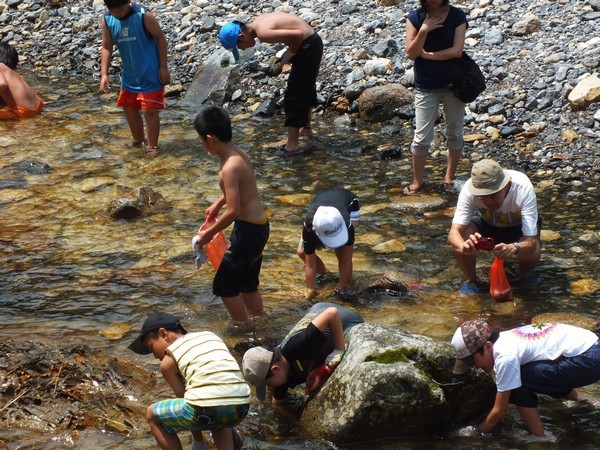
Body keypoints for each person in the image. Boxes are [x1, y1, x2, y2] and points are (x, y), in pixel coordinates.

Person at [451, 319, 600, 436]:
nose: (474, 367)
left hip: (588, 360)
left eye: (472, 361)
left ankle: (540, 436)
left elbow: (499, 411)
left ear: (488, 347)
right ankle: (586, 401)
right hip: (592, 347)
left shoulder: (505, 357)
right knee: (529, 373)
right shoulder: (507, 338)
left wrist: (477, 432)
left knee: (518, 380)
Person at [128, 312, 249, 450]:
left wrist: (198, 441)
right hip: (242, 407)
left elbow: (185, 399)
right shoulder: (209, 336)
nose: (155, 355)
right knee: (216, 410)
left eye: (151, 347)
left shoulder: (168, 362)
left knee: (152, 415)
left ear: (163, 334)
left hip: (206, 409)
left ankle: (199, 443)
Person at [194, 106, 269, 324]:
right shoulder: (239, 154)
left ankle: (243, 328)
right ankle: (260, 322)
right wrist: (219, 202)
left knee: (224, 286)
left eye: (202, 141)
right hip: (260, 226)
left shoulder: (229, 167)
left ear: (210, 139)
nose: (203, 145)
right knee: (247, 282)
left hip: (247, 231)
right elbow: (245, 188)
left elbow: (235, 211)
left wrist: (208, 233)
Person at [218, 12, 323, 154]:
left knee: (294, 95)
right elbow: (294, 32)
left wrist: (291, 53)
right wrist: (290, 51)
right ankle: (306, 130)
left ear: (241, 37)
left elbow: (297, 35)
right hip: (311, 43)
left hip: (308, 46)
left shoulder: (263, 33)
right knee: (305, 87)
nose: (243, 49)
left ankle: (292, 146)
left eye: (240, 47)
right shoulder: (258, 21)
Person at [448, 159, 541, 294]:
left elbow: (530, 241)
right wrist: (464, 247)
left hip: (517, 227)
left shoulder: (523, 188)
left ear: (507, 185)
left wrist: (515, 247)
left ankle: (522, 275)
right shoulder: (469, 190)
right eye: (482, 197)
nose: (488, 202)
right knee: (463, 236)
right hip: (488, 224)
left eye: (493, 195)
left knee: (534, 250)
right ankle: (472, 281)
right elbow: (453, 233)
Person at [404, 0, 467, 195]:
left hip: (453, 84)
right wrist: (424, 30)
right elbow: (412, 53)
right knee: (422, 137)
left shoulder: (457, 16)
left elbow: (457, 51)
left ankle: (449, 177)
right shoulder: (415, 17)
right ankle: (417, 182)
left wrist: (429, 55)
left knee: (455, 131)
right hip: (426, 85)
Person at [242, 302, 364, 403]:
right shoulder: (280, 375)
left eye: (267, 383)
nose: (269, 387)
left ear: (275, 369)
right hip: (316, 313)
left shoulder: (298, 346)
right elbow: (278, 402)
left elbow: (331, 313)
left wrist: (339, 350)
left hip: (344, 319)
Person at [100, 0, 170, 156]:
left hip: (150, 74)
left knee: (149, 111)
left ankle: (153, 146)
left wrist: (163, 67)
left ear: (128, 2)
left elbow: (160, 38)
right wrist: (104, 73)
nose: (117, 13)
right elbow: (106, 47)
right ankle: (138, 141)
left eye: (120, 8)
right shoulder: (107, 19)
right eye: (113, 10)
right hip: (129, 77)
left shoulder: (143, 16)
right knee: (129, 109)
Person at [297, 188, 360, 295]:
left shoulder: (347, 224)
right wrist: (310, 293)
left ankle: (343, 283)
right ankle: (326, 277)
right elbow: (310, 265)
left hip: (350, 203)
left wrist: (342, 290)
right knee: (302, 252)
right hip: (320, 208)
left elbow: (347, 260)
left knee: (341, 251)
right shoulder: (309, 227)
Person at [0, 43, 44, 120]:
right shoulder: (13, 73)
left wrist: (13, 108)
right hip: (39, 105)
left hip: (22, 111)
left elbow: (2, 86)